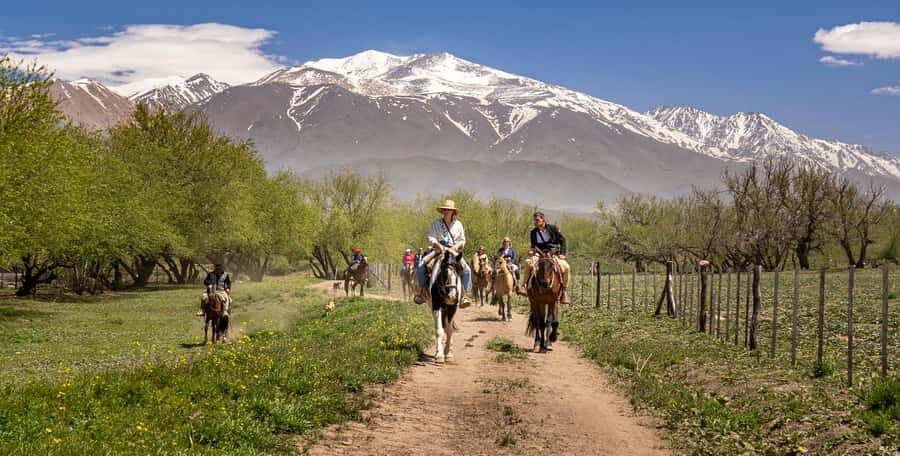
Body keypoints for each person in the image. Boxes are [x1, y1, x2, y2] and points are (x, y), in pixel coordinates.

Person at [414, 199, 472, 308]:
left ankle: (463, 295)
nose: (446, 211)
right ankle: (422, 292)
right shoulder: (436, 223)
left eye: (448, 210)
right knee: (421, 266)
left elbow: (462, 240)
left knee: (467, 270)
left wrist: (456, 246)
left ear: (453, 212)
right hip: (439, 250)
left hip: (454, 251)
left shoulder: (458, 224)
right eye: (445, 209)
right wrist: (438, 245)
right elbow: (431, 236)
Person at [519, 211, 571, 304]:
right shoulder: (533, 232)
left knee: (566, 267)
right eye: (534, 220)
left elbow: (563, 240)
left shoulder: (553, 228)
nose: (535, 222)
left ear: (543, 220)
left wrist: (562, 253)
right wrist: (531, 251)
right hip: (539, 254)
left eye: (537, 220)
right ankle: (524, 286)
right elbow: (533, 246)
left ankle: (564, 290)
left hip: (553, 253)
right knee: (528, 263)